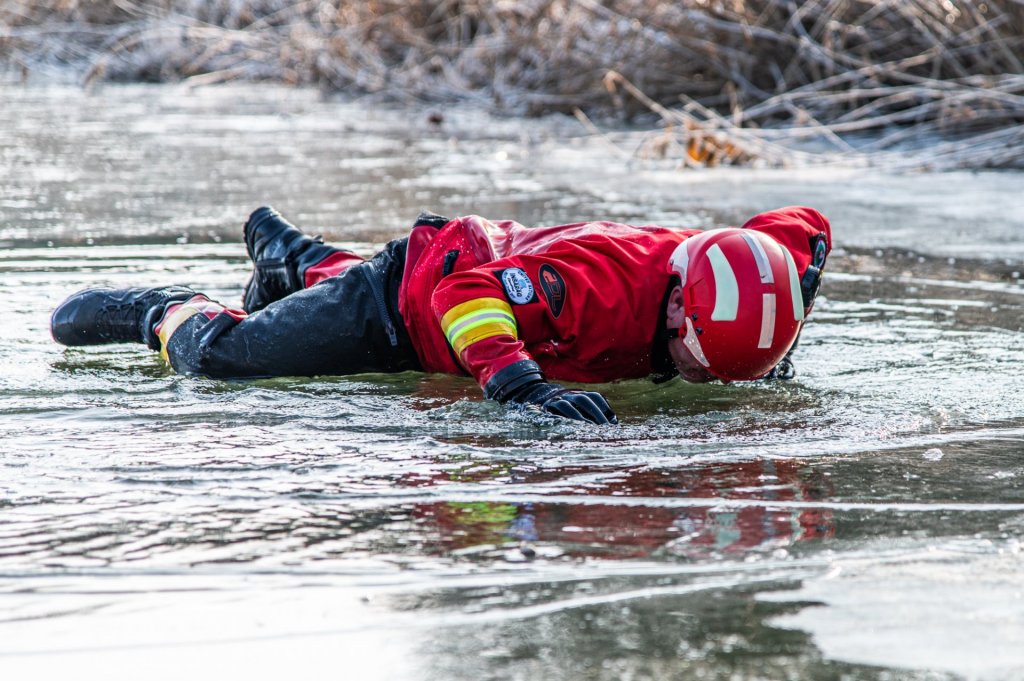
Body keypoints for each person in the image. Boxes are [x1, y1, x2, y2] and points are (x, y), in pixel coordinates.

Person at [50, 205, 831, 425]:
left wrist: (796, 289)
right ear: (677, 301)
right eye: (698, 359)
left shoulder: (751, 263)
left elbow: (807, 226)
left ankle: (300, 263)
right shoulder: (594, 286)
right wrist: (519, 384)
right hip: (410, 299)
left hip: (468, 270)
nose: (702, 378)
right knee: (227, 361)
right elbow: (463, 297)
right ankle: (166, 312)